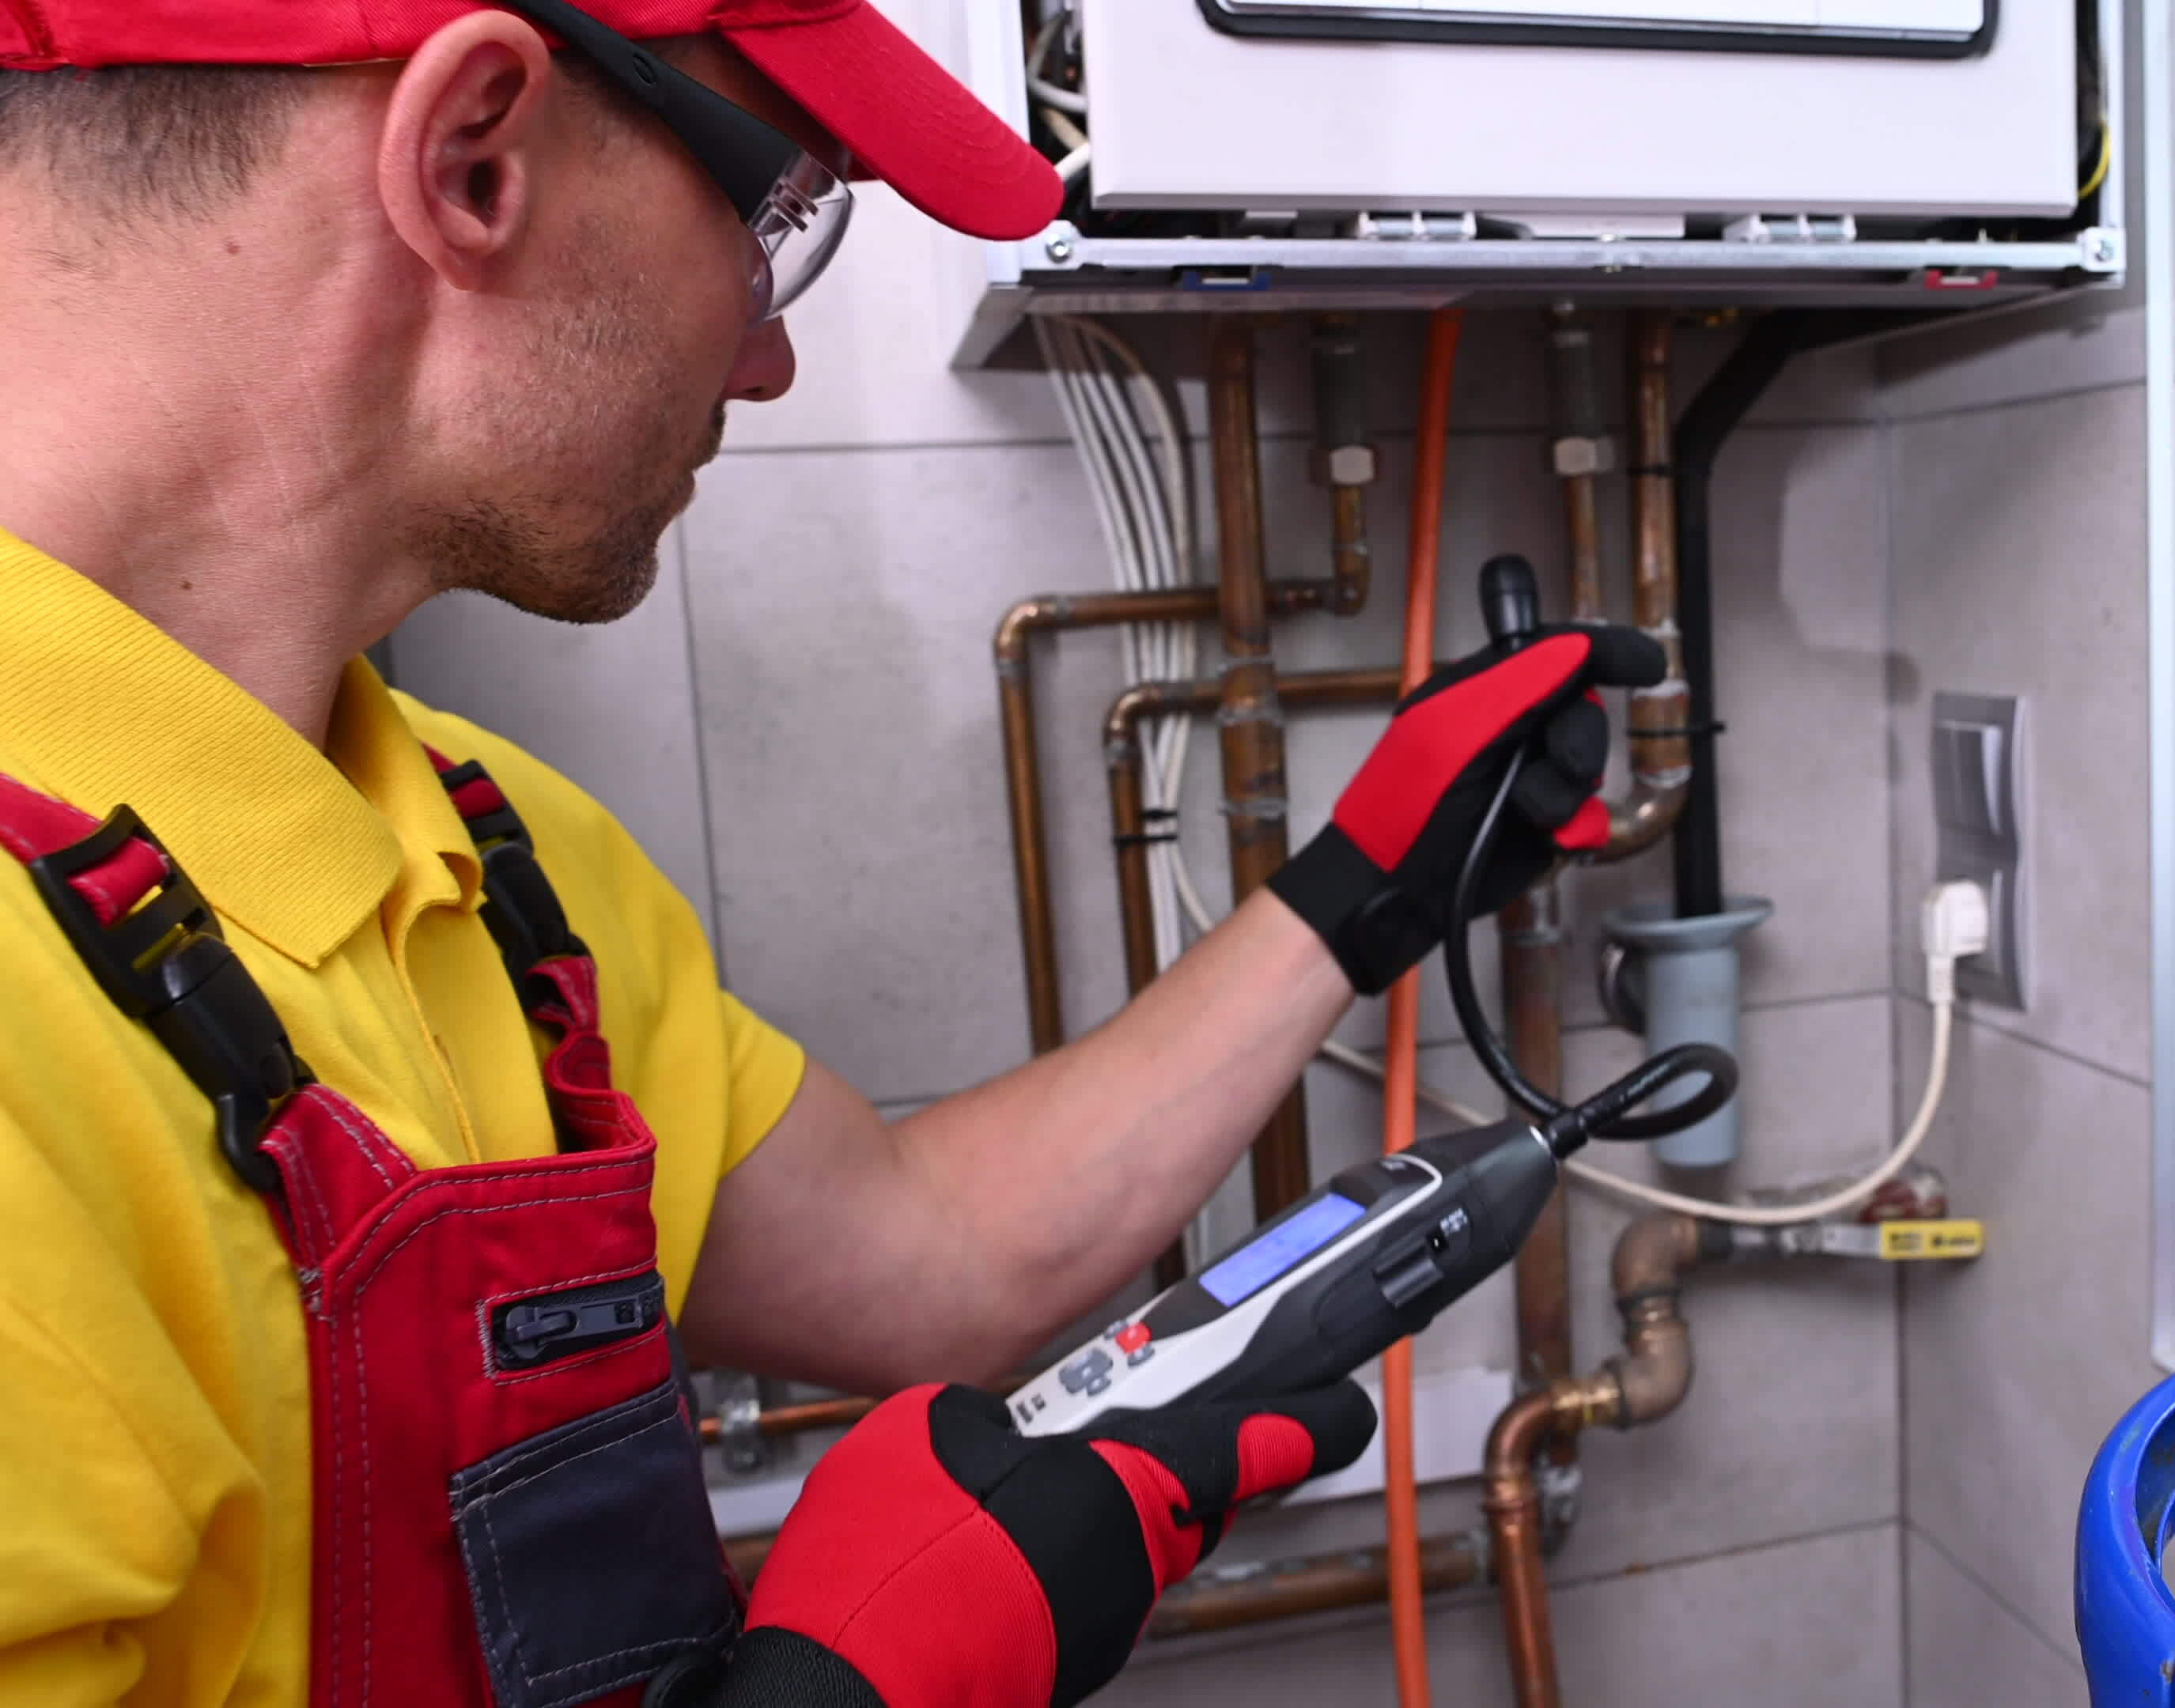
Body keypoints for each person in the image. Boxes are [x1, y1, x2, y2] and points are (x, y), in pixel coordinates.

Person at [0, 2, 1662, 1703]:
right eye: (777, 211)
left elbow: (935, 1254)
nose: (766, 355)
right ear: (474, 157)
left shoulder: (479, 845)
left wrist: (1362, 888)